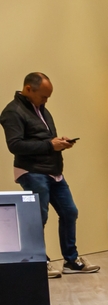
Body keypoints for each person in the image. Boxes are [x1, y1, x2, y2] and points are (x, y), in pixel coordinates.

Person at [0, 73, 98, 277]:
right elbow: (15, 145)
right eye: (43, 96)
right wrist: (49, 145)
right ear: (28, 89)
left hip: (53, 171)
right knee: (38, 216)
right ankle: (38, 262)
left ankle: (71, 261)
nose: (46, 100)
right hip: (32, 171)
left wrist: (59, 141)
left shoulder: (41, 109)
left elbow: (44, 139)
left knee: (70, 211)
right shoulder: (12, 112)